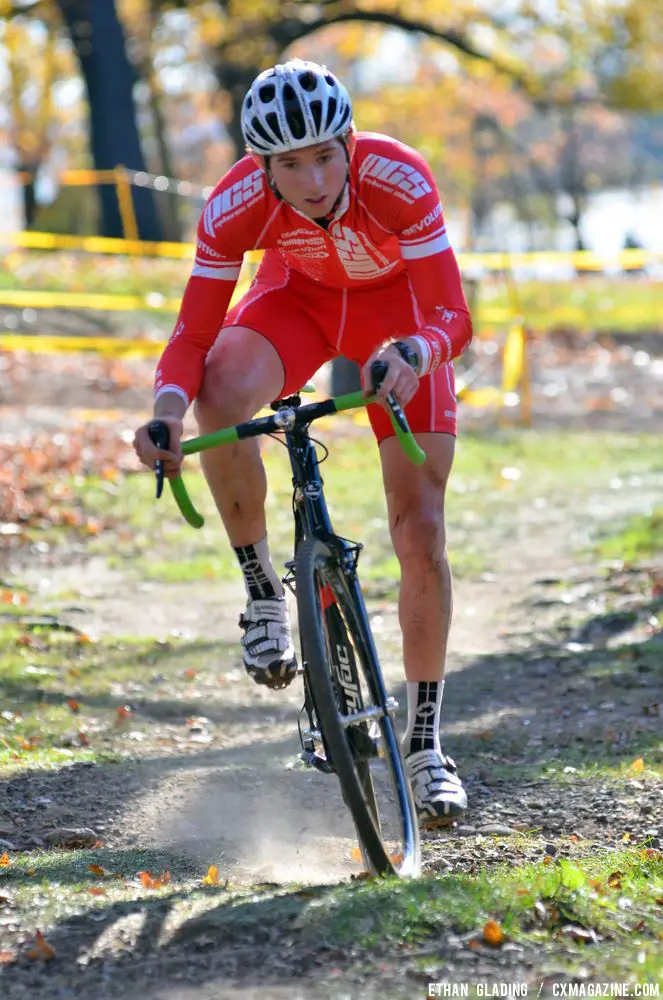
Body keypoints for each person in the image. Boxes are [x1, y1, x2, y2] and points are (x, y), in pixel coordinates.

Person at [133, 59, 472, 827]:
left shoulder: (398, 178)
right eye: (291, 164)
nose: (314, 178)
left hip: (400, 323)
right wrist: (166, 412)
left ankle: (423, 745)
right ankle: (262, 595)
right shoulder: (233, 205)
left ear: (349, 143)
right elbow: (193, 331)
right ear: (264, 168)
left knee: (418, 530)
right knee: (220, 394)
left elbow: (452, 313)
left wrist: (418, 352)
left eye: (325, 155)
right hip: (299, 306)